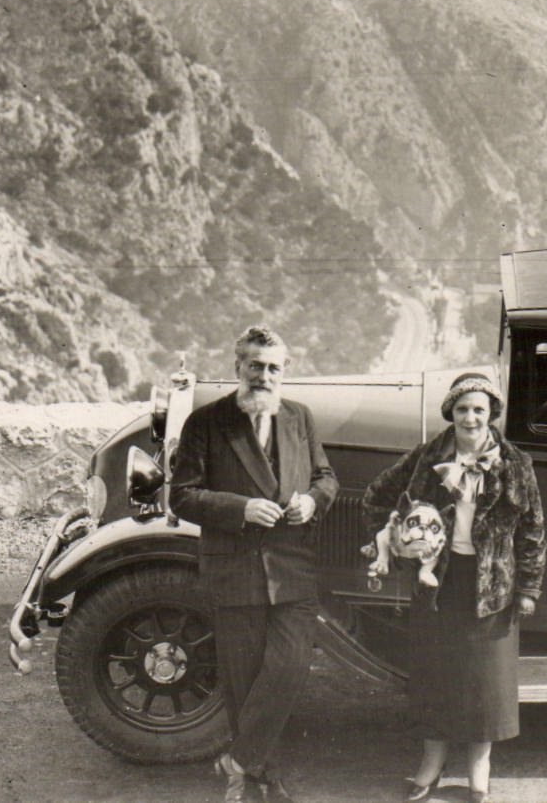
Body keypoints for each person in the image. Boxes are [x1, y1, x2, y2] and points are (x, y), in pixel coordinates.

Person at [170, 326, 338, 803]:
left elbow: (326, 477)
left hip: (293, 567)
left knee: (289, 667)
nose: (264, 376)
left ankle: (238, 759)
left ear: (284, 372)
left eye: (273, 368)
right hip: (235, 566)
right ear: (237, 368)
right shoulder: (207, 422)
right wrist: (239, 508)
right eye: (255, 366)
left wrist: (312, 501)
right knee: (244, 680)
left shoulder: (299, 417)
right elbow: (181, 495)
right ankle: (260, 778)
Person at [363, 372, 546, 803]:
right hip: (438, 582)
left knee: (486, 682)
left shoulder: (516, 463)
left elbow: (533, 529)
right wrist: (385, 541)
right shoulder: (428, 457)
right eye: (462, 409)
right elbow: (377, 494)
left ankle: (479, 767)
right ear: (451, 412)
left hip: (493, 586)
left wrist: (529, 589)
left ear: (492, 414)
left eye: (479, 409)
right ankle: (431, 765)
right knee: (435, 676)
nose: (470, 417)